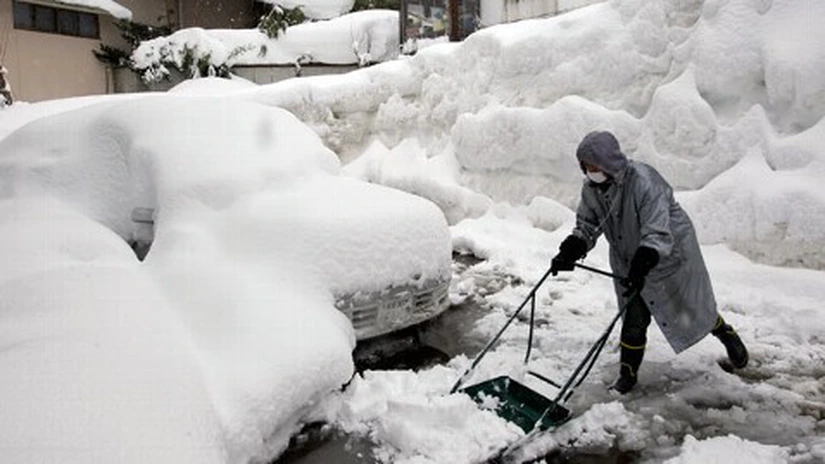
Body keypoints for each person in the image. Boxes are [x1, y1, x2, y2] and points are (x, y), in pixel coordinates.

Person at [550, 131, 748, 394]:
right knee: (634, 317)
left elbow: (657, 230)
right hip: (627, 257)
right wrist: (571, 249)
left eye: (594, 165)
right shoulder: (591, 188)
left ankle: (725, 332)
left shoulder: (644, 182)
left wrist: (644, 261)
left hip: (667, 255)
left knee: (689, 309)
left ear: (609, 162)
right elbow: (587, 224)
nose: (590, 171)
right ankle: (627, 376)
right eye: (586, 166)